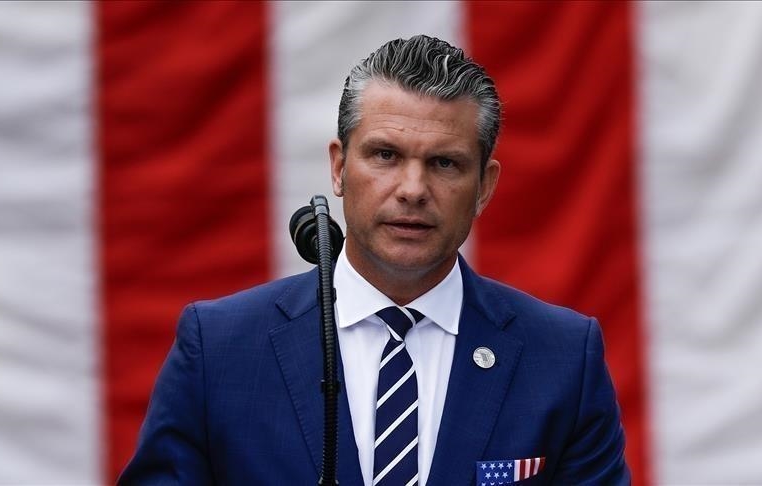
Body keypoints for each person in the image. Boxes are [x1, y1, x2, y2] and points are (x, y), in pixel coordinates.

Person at [120, 35, 630, 485]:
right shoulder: (220, 348)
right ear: (339, 168)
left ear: (484, 187)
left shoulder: (563, 359)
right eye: (386, 155)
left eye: (445, 163)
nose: (413, 189)